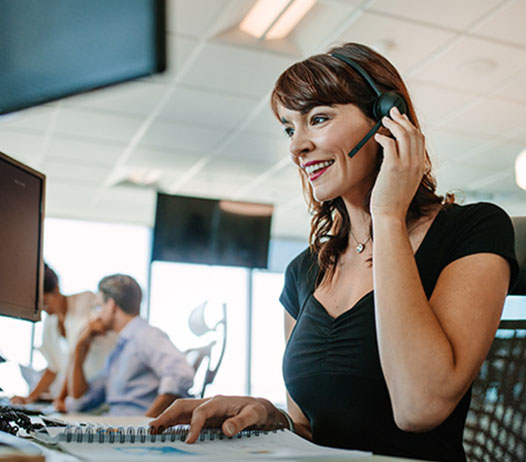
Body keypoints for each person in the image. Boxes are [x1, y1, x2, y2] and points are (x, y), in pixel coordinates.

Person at [150, 42, 519, 461]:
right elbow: (310, 429)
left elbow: (420, 407)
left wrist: (387, 216)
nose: (296, 147)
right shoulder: (303, 271)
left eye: (318, 119)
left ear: (387, 119)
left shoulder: (474, 229)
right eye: (290, 128)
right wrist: (271, 416)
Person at [67, 274, 194, 417]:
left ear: (111, 305)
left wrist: (145, 425)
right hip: (117, 426)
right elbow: (81, 400)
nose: (96, 315)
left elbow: (180, 375)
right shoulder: (120, 348)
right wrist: (80, 349)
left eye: (98, 306)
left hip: (132, 431)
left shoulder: (145, 335)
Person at [11, 264, 115, 411]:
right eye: (40, 306)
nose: (44, 309)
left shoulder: (86, 301)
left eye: (45, 303)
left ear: (56, 289)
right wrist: (29, 398)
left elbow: (78, 353)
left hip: (100, 391)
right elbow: (53, 368)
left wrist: (60, 398)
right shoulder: (50, 322)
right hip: (77, 399)